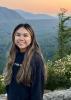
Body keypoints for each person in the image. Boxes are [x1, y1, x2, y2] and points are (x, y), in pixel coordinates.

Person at [3, 23, 47, 100]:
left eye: (25, 35)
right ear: (14, 36)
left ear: (31, 38)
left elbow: (37, 91)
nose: (21, 38)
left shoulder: (36, 59)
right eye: (18, 35)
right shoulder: (13, 55)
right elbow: (10, 82)